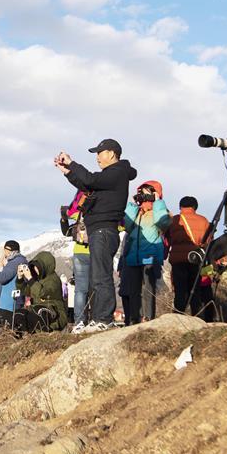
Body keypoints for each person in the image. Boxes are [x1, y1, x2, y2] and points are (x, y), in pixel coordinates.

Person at [56, 139, 137, 332]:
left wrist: (72, 164)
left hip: (104, 230)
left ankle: (104, 319)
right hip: (98, 231)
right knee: (96, 278)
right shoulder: (111, 176)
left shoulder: (117, 172)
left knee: (101, 277)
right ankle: (99, 318)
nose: (97, 158)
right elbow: (88, 186)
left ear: (111, 153)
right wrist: (68, 172)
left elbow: (91, 180)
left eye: (99, 153)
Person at [122, 180, 170, 325]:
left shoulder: (158, 211)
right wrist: (132, 205)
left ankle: (148, 318)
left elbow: (164, 223)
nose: (143, 196)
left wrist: (158, 202)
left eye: (147, 193)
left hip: (150, 256)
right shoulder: (136, 212)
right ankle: (134, 319)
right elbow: (126, 226)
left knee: (148, 290)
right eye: (141, 193)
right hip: (133, 257)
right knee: (133, 291)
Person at [166, 196, 211, 316]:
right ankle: (197, 316)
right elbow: (209, 241)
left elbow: (167, 239)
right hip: (196, 259)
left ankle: (178, 316)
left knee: (180, 290)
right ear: (195, 207)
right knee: (195, 289)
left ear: (180, 207)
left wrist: (164, 254)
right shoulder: (203, 220)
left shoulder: (174, 220)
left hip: (178, 260)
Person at [60, 190, 92, 332]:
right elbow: (121, 226)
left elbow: (66, 218)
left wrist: (63, 215)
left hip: (79, 252)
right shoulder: (100, 210)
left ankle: (79, 321)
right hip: (96, 251)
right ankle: (96, 318)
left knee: (80, 290)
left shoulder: (78, 212)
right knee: (97, 287)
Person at [14, 252, 68, 333]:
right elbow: (25, 291)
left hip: (55, 313)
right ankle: (25, 337)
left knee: (39, 310)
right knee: (19, 314)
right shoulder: (37, 279)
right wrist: (20, 278)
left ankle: (44, 336)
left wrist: (30, 279)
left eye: (37, 267)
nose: (35, 270)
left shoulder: (54, 280)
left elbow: (42, 293)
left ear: (44, 267)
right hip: (36, 310)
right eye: (33, 267)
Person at [0, 240, 27, 325]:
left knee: (7, 330)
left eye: (4, 250)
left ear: (8, 250)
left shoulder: (14, 263)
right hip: (12, 303)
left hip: (8, 304)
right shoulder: (19, 261)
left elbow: (2, 278)